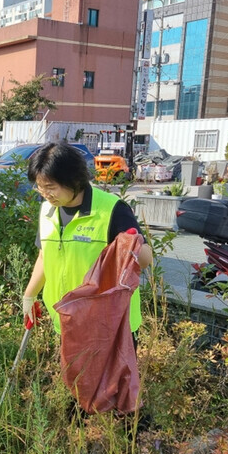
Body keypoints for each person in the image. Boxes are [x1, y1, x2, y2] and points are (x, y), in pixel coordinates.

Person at [22, 141, 153, 342]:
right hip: (67, 319)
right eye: (39, 187)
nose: (45, 194)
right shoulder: (47, 210)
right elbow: (44, 256)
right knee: (71, 374)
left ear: (73, 180)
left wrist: (130, 246)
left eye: (50, 187)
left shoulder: (111, 210)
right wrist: (30, 295)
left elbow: (145, 259)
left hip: (109, 326)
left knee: (108, 376)